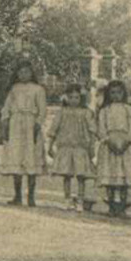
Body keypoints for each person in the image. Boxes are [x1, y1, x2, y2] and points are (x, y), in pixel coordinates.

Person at [0, 62, 51, 206]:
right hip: (16, 125)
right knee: (17, 157)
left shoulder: (38, 89)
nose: (24, 75)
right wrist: (5, 123)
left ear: (32, 73)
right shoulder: (14, 89)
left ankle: (31, 196)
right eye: (21, 72)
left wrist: (38, 124)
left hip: (30, 125)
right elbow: (6, 108)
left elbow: (42, 110)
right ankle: (17, 195)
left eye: (27, 72)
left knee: (31, 157)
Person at [94, 79, 131, 217]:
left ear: (124, 94)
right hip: (109, 144)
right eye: (113, 93)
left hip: (124, 144)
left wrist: (127, 142)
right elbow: (101, 128)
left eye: (119, 93)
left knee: (123, 175)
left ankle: (122, 203)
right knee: (110, 175)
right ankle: (111, 204)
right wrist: (108, 141)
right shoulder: (104, 110)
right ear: (108, 94)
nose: (116, 96)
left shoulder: (129, 109)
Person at [49, 82, 96, 211]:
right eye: (71, 97)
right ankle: (67, 199)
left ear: (81, 99)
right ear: (66, 98)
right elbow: (54, 129)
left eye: (77, 97)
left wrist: (91, 146)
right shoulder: (62, 112)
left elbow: (92, 130)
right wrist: (50, 145)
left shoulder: (86, 112)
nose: (74, 100)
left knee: (81, 175)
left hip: (81, 147)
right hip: (66, 146)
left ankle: (80, 199)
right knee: (67, 175)